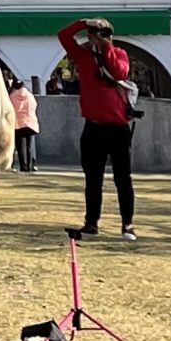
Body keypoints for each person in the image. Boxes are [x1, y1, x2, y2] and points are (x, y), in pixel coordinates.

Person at [57, 17, 138, 241]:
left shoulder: (118, 53)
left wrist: (107, 46)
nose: (99, 37)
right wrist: (83, 23)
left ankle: (127, 224)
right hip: (93, 127)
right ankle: (91, 223)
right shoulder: (82, 55)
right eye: (95, 33)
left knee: (123, 178)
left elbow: (120, 72)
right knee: (93, 179)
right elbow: (63, 36)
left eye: (103, 33)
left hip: (118, 127)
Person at [10, 74, 40, 173]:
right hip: (30, 122)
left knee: (20, 146)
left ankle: (23, 166)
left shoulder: (12, 96)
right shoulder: (29, 95)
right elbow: (34, 106)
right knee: (29, 145)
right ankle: (30, 165)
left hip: (18, 123)